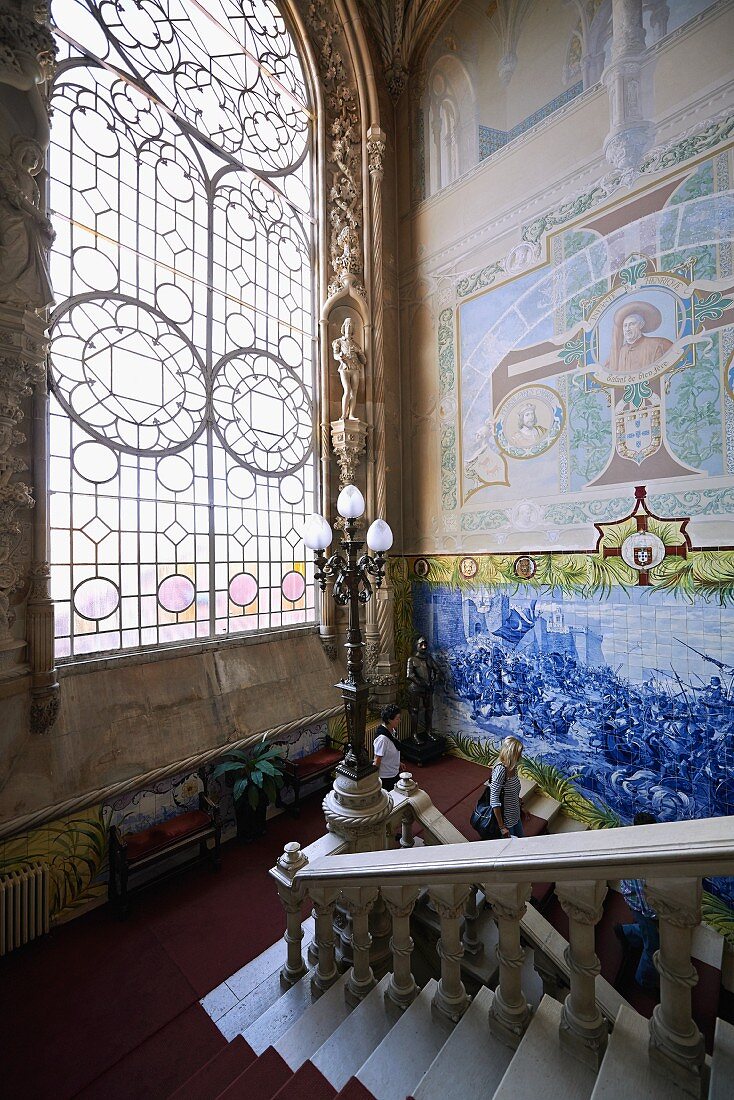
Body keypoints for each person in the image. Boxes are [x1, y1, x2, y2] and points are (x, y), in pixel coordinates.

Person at [614, 811, 660, 992]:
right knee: (653, 946)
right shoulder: (641, 859)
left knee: (649, 933)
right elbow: (643, 898)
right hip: (642, 907)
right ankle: (643, 980)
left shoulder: (631, 844)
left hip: (634, 901)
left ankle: (626, 932)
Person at [605, 302, 673, 376]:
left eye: (631, 324)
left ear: (641, 325)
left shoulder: (659, 344)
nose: (627, 329)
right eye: (625, 326)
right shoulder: (620, 352)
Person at [490, 736, 524, 838]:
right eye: (519, 753)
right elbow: (494, 800)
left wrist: (520, 805)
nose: (521, 756)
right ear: (512, 754)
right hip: (506, 822)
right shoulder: (500, 770)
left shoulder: (514, 767)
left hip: (515, 817)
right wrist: (502, 827)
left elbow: (512, 791)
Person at [332, 316, 365, 420]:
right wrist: (341, 356)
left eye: (351, 325)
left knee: (354, 391)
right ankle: (343, 414)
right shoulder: (338, 341)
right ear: (343, 327)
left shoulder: (356, 345)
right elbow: (335, 355)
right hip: (344, 367)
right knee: (347, 389)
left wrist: (359, 352)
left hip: (355, 368)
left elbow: (364, 361)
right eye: (347, 325)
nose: (349, 327)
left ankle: (351, 414)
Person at [373, 704, 402, 792]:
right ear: (389, 720)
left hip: (394, 772)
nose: (399, 721)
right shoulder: (382, 739)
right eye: (397, 718)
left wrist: (398, 762)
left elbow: (391, 751)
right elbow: (377, 760)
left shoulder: (392, 731)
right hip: (386, 777)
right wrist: (375, 779)